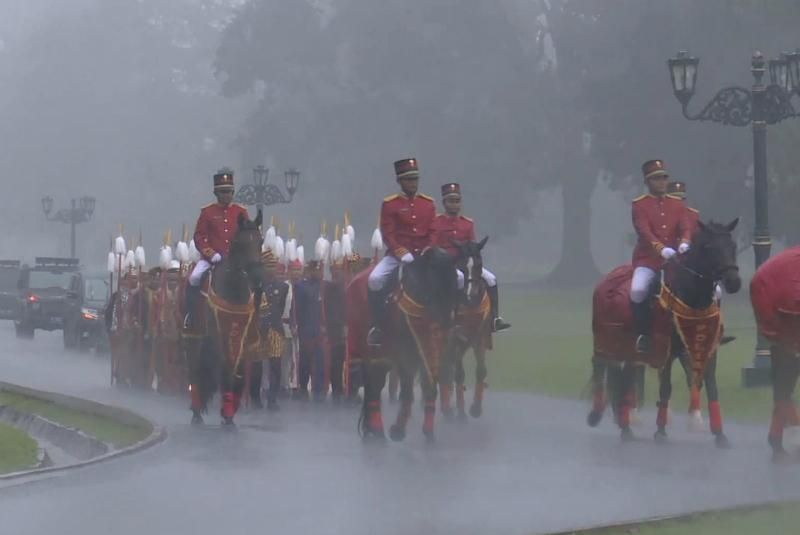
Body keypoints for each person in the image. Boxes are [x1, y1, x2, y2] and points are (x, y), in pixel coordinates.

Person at [367, 158, 436, 346]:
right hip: (399, 256)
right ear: (400, 181)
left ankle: (452, 320)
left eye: (415, 179)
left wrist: (429, 248)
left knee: (459, 278)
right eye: (408, 180)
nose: (413, 183)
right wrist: (401, 252)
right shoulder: (390, 204)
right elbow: (388, 233)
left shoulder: (428, 204)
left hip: (425, 255)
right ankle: (378, 326)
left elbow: (433, 231)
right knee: (374, 280)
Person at [430, 182, 510, 332]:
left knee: (491, 279)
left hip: (466, 262)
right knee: (459, 277)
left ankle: (494, 318)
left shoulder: (467, 223)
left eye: (457, 201)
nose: (454, 205)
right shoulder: (437, 222)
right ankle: (454, 314)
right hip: (447, 264)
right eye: (451, 201)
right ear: (444, 203)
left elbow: (472, 246)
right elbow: (434, 245)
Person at [630, 159, 691, 353]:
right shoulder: (639, 205)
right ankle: (643, 335)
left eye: (664, 178)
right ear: (648, 182)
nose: (662, 182)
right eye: (656, 179)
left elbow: (686, 227)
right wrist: (660, 248)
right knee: (638, 290)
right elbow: (644, 231)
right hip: (648, 260)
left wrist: (684, 242)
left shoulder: (678, 204)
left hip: (675, 261)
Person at [183, 169, 249, 328]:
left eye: (229, 192)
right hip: (212, 260)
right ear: (216, 193)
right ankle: (191, 316)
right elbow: (199, 236)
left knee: (255, 280)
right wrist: (211, 254)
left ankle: (258, 317)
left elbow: (247, 235)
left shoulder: (241, 212)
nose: (226, 195)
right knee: (194, 279)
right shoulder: (207, 212)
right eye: (223, 192)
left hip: (236, 261)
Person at [252, 249, 290, 411]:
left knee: (275, 365)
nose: (271, 269)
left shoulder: (283, 287)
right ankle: (255, 398)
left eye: (273, 266)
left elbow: (280, 309)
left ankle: (272, 398)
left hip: (275, 329)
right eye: (268, 266)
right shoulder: (256, 286)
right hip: (258, 330)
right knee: (257, 366)